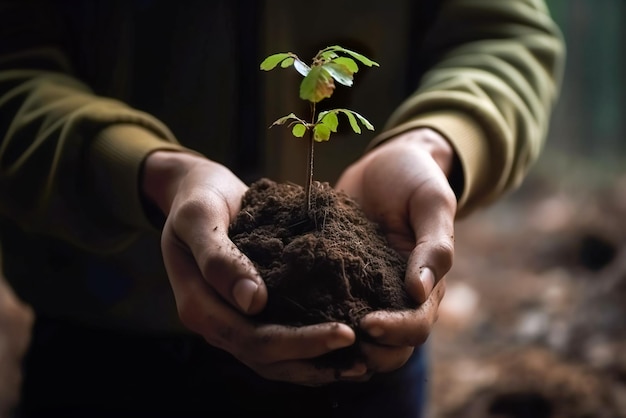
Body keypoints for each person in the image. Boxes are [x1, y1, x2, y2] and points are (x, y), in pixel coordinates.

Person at [0, 0, 564, 416]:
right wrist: (145, 171)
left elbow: (504, 36)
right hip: (101, 343)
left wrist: (433, 142)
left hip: (362, 353)